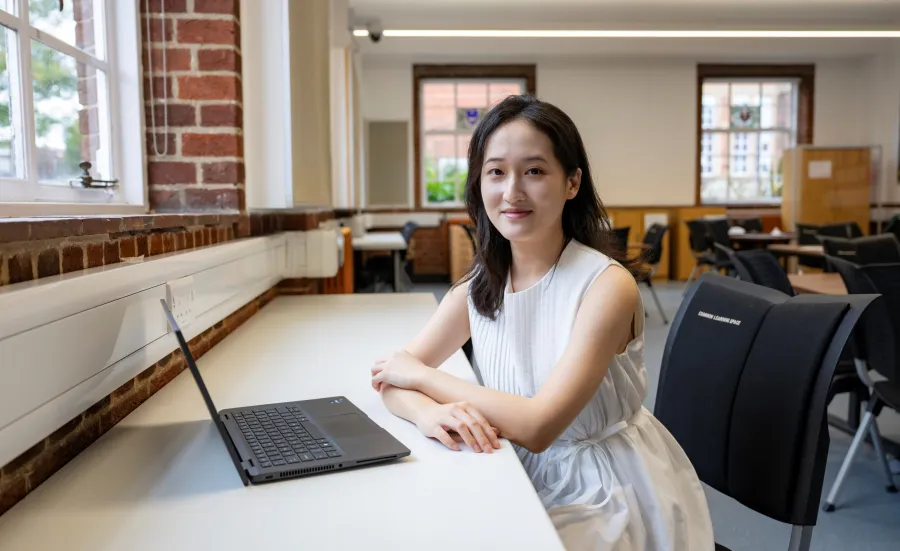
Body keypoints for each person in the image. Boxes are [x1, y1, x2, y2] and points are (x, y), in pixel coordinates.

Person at [370, 95, 714, 551]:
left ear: (572, 182)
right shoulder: (480, 284)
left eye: (534, 171)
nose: (511, 192)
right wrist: (428, 411)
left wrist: (420, 376)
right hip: (510, 470)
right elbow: (388, 381)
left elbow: (538, 426)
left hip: (602, 491)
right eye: (496, 172)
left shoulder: (606, 287)